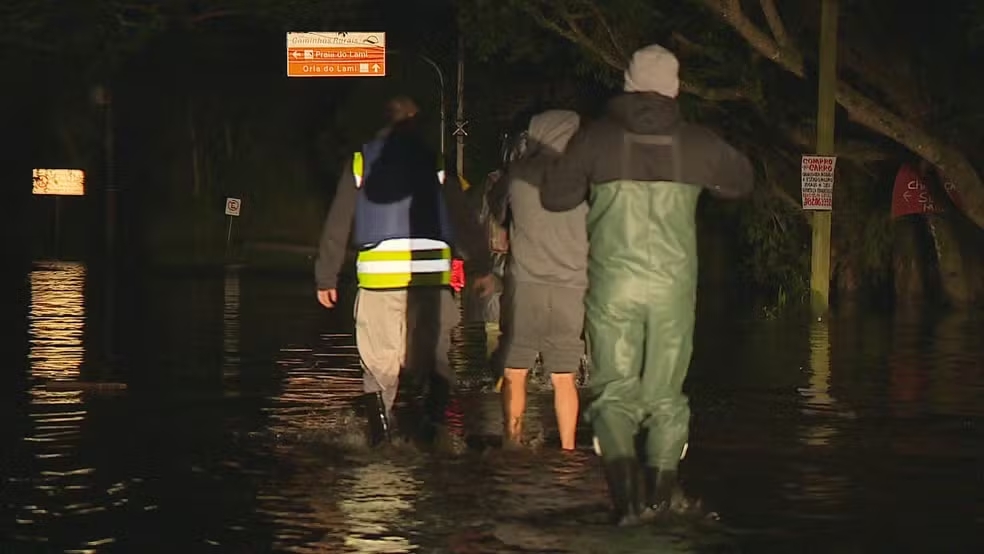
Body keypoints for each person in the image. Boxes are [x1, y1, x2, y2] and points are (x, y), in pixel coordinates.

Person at [512, 45, 754, 525]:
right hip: (673, 290)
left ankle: (627, 500)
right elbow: (742, 182)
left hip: (614, 286)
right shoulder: (698, 142)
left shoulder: (596, 139)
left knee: (614, 393)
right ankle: (662, 496)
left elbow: (558, 197)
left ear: (626, 84)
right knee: (666, 395)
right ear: (676, 88)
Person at [314, 95, 495, 448]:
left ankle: (380, 444)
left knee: (380, 365)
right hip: (431, 280)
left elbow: (339, 220)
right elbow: (462, 218)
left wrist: (326, 275)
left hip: (379, 281)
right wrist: (482, 265)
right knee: (436, 360)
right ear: (419, 123)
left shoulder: (361, 161)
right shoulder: (437, 162)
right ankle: (431, 434)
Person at [488, 110, 586, 451]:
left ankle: (512, 441)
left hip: (526, 285)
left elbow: (495, 206)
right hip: (572, 287)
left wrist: (505, 227)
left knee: (515, 368)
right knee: (564, 376)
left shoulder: (518, 174)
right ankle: (569, 450)